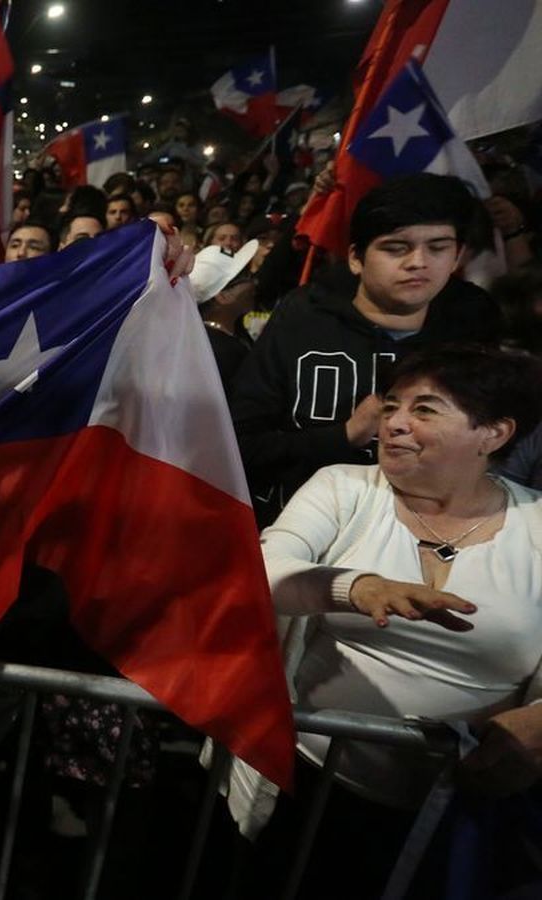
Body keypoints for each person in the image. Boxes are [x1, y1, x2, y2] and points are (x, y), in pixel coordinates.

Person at [255, 345, 542, 896]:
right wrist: (357, 587)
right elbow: (264, 569)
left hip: (464, 810)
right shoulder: (345, 487)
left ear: (494, 433)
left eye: (426, 410)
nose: (395, 424)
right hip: (311, 784)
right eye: (391, 406)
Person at [231, 174, 504, 524]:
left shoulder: (474, 324)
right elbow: (239, 445)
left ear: (457, 256)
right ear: (356, 258)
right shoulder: (302, 317)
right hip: (299, 533)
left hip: (429, 537)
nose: (418, 262)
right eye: (396, 248)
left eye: (437, 247)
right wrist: (344, 436)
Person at [188, 241, 260, 395]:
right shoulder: (216, 352)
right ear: (222, 296)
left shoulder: (233, 333)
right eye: (245, 277)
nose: (254, 282)